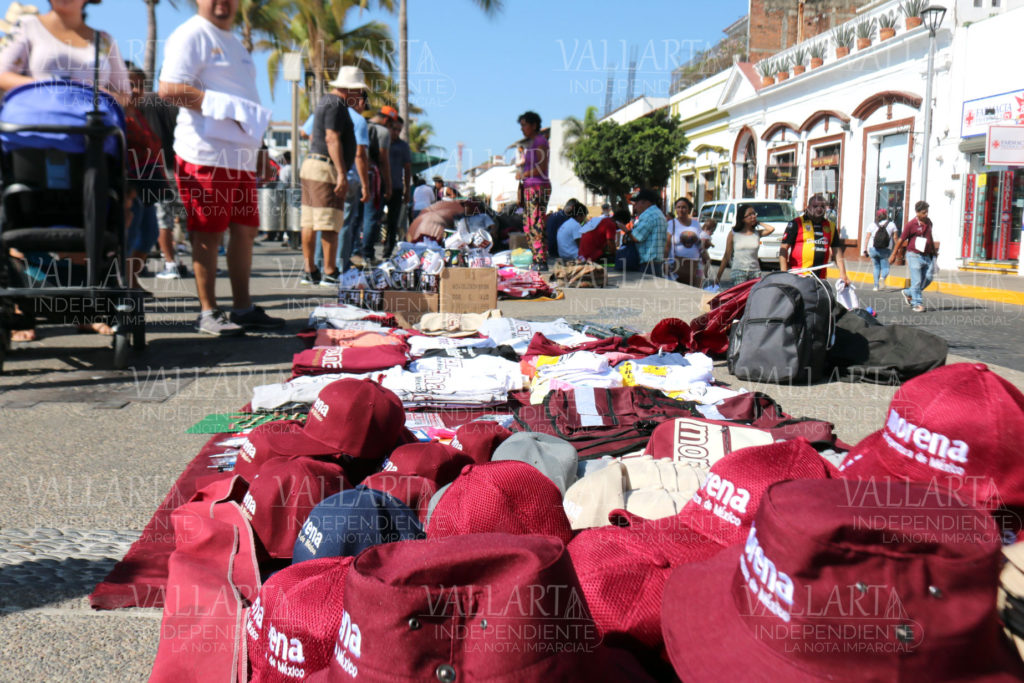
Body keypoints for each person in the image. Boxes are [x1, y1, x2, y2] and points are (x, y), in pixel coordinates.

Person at [0, 0, 130, 338]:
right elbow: (1, 73)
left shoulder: (104, 40)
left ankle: (83, 308)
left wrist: (95, 93)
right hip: (35, 136)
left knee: (86, 212)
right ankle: (20, 307)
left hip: (88, 139)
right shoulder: (28, 28)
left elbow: (124, 94)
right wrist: (54, 89)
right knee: (23, 210)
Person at [158, 0, 282, 336]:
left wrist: (260, 148)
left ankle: (242, 308)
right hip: (205, 154)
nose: (222, 2)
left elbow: (248, 100)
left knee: (244, 231)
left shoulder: (236, 43)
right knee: (208, 233)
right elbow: (168, 88)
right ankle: (208, 312)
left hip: (241, 157)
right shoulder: (191, 34)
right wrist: (223, 106)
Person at [298, 73, 357, 287]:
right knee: (329, 222)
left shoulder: (325, 101)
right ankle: (330, 271)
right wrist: (341, 172)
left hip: (312, 164)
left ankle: (310, 270)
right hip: (325, 168)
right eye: (357, 90)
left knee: (310, 221)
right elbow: (331, 137)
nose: (359, 95)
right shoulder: (336, 104)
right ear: (347, 88)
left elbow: (314, 135)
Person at [779, 193, 850, 284]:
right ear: (808, 207)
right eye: (815, 206)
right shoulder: (797, 223)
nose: (819, 209)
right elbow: (783, 249)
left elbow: (836, 251)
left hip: (821, 278)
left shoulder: (830, 226)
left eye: (822, 206)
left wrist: (843, 273)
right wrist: (784, 274)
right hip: (799, 276)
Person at [353, 108, 392, 266]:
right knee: (370, 217)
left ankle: (353, 252)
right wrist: (388, 185)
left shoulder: (358, 125)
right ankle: (367, 254)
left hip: (355, 174)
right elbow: (383, 160)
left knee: (355, 217)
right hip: (372, 176)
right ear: (386, 120)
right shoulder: (383, 132)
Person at [516, 111, 551, 269]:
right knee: (530, 223)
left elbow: (541, 168)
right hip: (531, 187)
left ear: (534, 125)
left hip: (538, 186)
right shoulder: (533, 144)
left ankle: (541, 259)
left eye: (524, 125)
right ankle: (537, 257)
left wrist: (524, 173)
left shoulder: (540, 142)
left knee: (536, 223)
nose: (522, 128)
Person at [890, 200, 937, 313]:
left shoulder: (929, 222)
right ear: (917, 212)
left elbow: (930, 237)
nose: (926, 215)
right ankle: (917, 304)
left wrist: (934, 252)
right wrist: (893, 254)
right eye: (923, 212)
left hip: (926, 255)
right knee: (917, 281)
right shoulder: (911, 225)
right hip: (913, 255)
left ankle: (908, 292)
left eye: (927, 212)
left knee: (929, 278)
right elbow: (901, 240)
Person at [715, 204, 775, 287]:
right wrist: (718, 277)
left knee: (754, 297)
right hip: (739, 271)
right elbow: (726, 256)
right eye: (750, 215)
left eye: (754, 214)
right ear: (742, 219)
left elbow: (771, 229)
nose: (753, 216)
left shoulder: (757, 233)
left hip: (755, 271)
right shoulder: (733, 233)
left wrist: (758, 222)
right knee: (740, 297)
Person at [384, 110, 412, 259]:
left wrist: (407, 190)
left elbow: (407, 169)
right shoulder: (380, 142)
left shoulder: (403, 146)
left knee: (393, 221)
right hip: (379, 187)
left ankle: (388, 249)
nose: (396, 132)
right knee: (374, 219)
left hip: (396, 187)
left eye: (399, 130)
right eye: (394, 128)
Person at [626, 189, 668, 275]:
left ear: (647, 202)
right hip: (656, 263)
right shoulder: (658, 213)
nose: (635, 207)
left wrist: (625, 230)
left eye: (637, 203)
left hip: (647, 264)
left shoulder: (648, 215)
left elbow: (636, 237)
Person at [665, 196, 705, 286]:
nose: (681, 210)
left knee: (696, 291)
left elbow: (700, 242)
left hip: (695, 265)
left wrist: (704, 252)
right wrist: (665, 262)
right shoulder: (671, 224)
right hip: (677, 265)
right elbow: (667, 245)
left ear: (689, 209)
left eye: (684, 207)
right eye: (678, 207)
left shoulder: (696, 224)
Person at [864, 208, 897, 291]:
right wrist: (897, 249)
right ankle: (882, 277)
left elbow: (867, 237)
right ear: (886, 215)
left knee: (876, 267)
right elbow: (895, 238)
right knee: (885, 266)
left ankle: (876, 286)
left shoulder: (872, 225)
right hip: (885, 249)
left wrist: (865, 249)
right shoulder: (891, 225)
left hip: (873, 249)